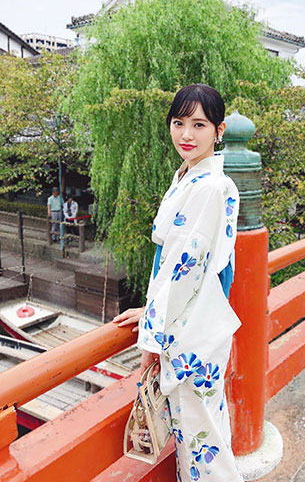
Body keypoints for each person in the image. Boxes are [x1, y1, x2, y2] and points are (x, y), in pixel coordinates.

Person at [113, 84, 244, 481]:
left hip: (189, 338)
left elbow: (183, 270)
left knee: (203, 450)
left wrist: (151, 341)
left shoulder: (208, 186)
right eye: (178, 122)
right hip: (196, 327)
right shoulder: (191, 176)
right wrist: (149, 309)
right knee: (207, 438)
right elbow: (176, 264)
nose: (186, 134)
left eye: (199, 125)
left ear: (219, 130)